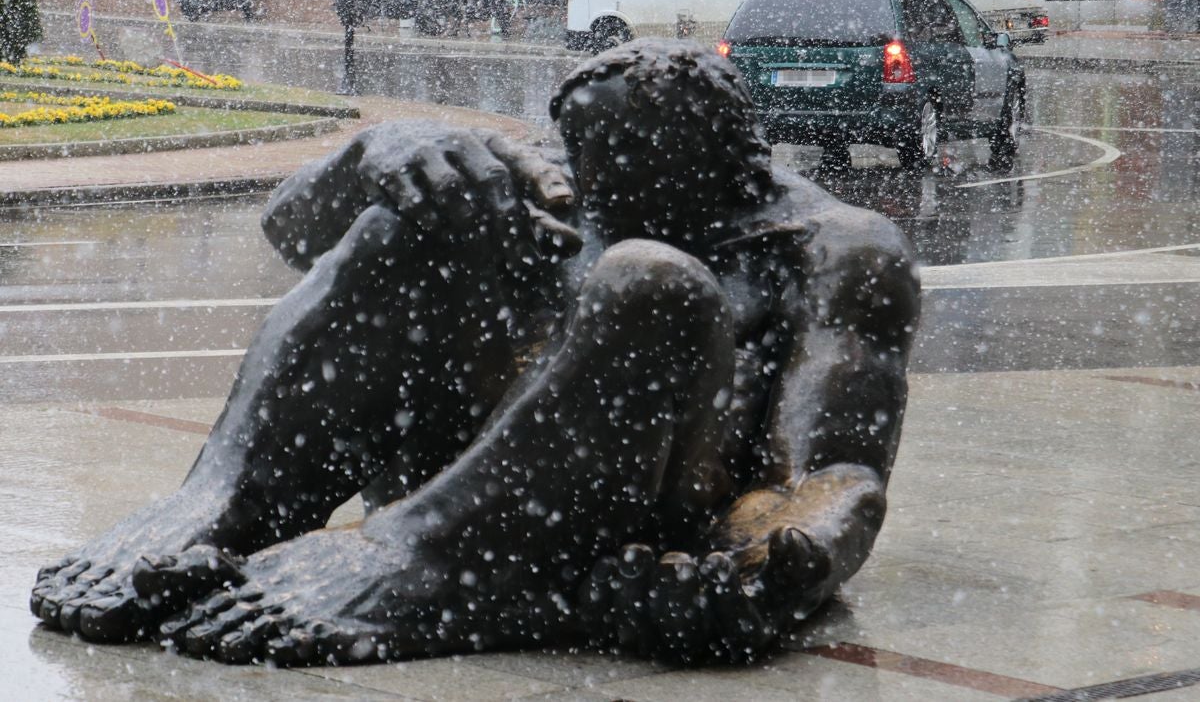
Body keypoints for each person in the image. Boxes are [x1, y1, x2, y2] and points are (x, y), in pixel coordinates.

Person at [30, 39, 920, 666]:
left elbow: (837, 469)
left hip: (642, 520)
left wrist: (775, 563)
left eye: (626, 183)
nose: (588, 206)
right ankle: (232, 501)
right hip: (485, 473)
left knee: (652, 282)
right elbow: (291, 232)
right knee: (422, 210)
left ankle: (434, 560)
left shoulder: (833, 247)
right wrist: (376, 153)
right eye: (589, 170)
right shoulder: (563, 174)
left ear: (715, 169)